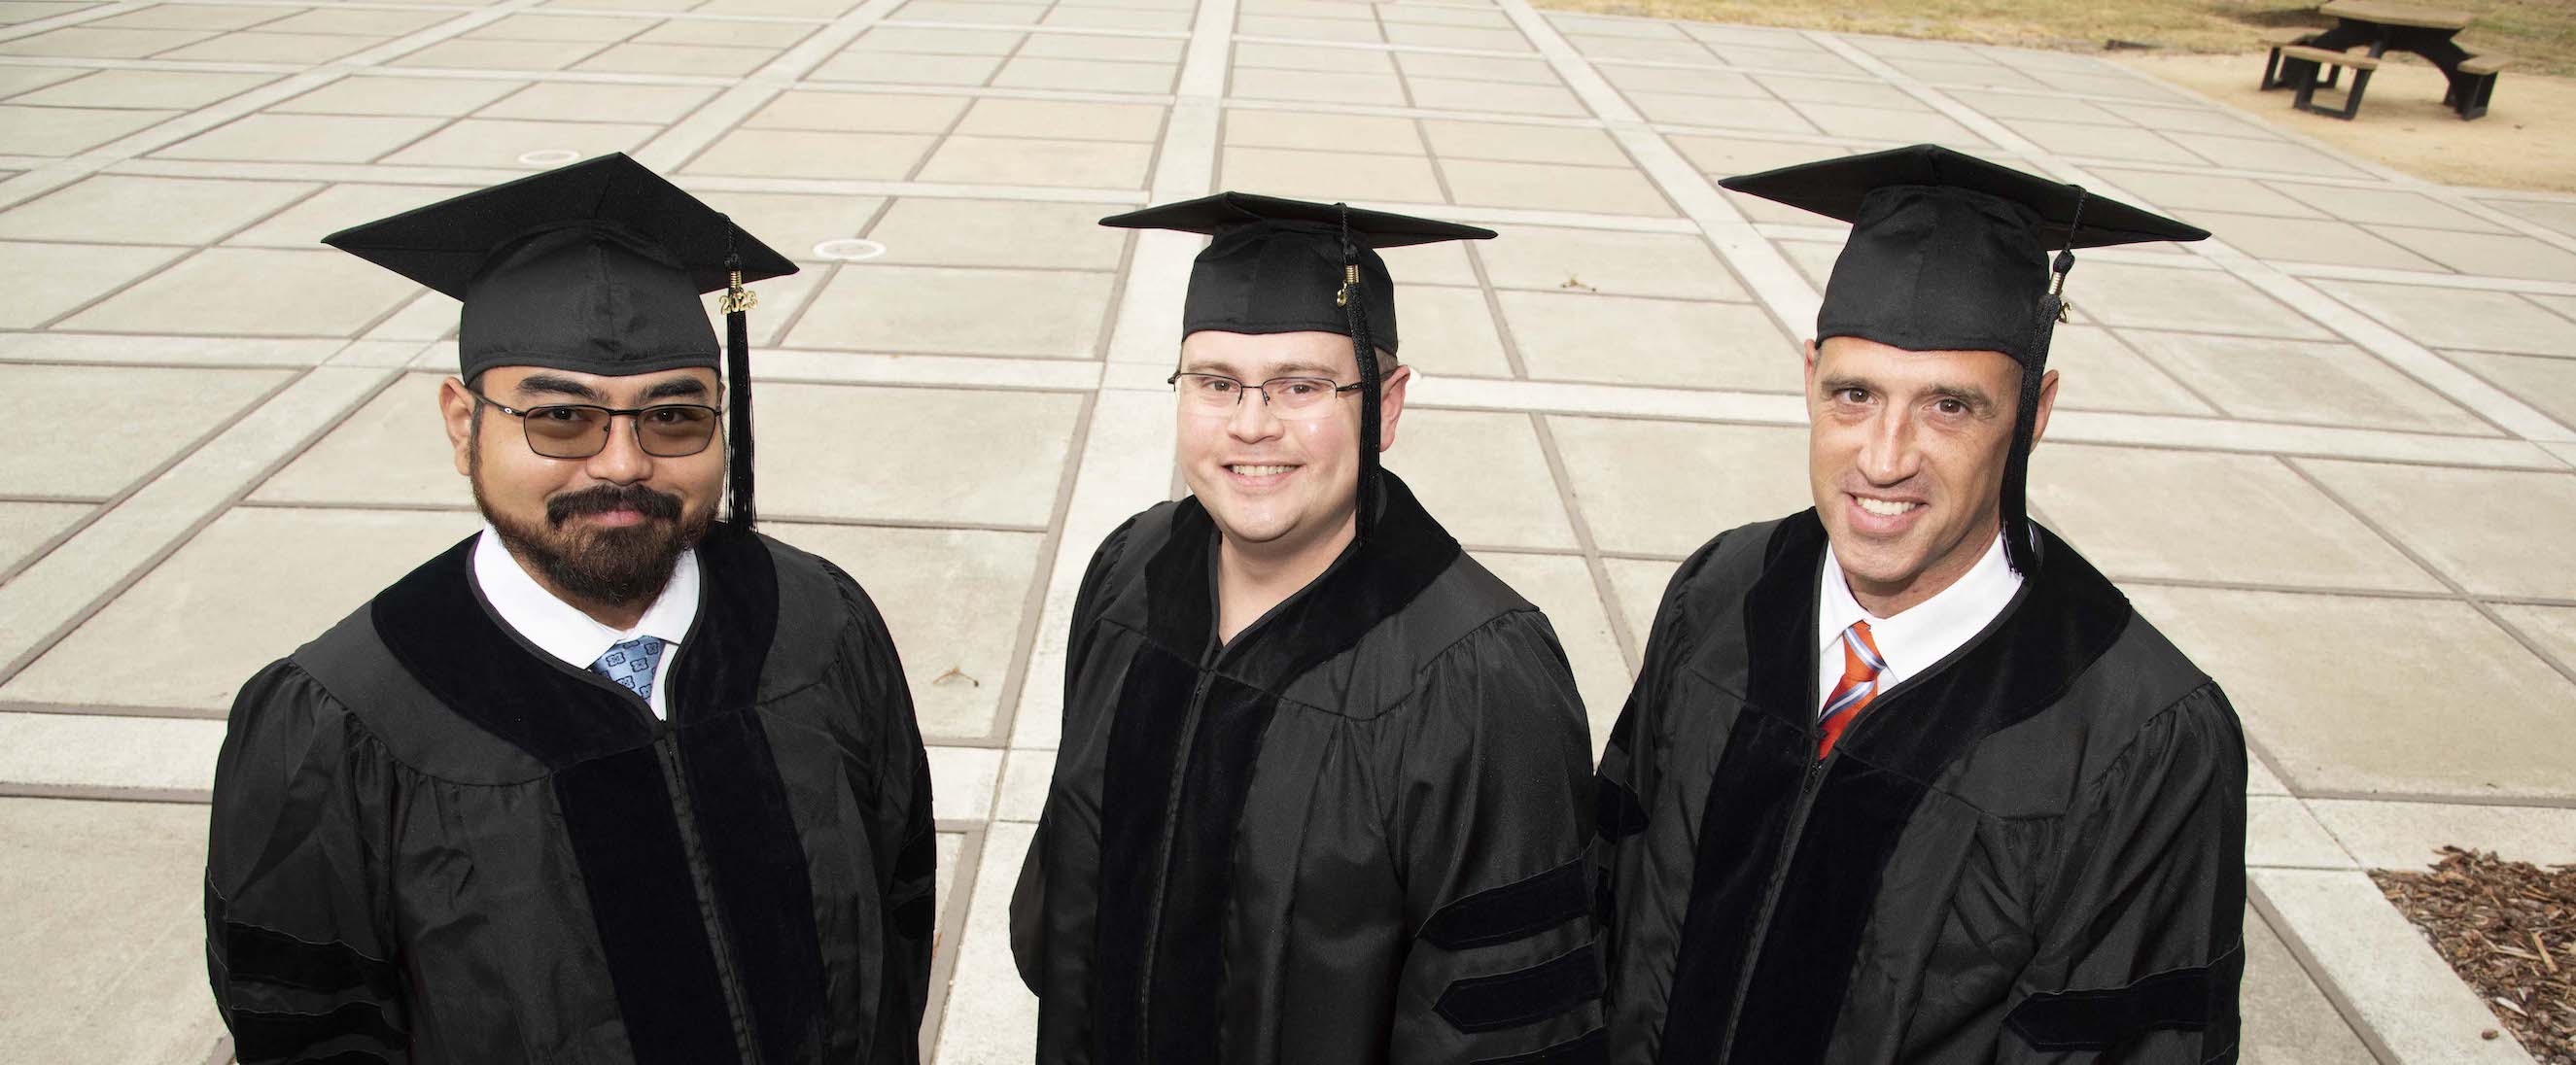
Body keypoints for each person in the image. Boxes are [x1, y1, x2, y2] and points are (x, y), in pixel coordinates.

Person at [203, 154, 936, 1065]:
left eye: (673, 416)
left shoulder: (819, 626)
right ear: (463, 423)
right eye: (560, 418)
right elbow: (306, 1035)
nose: (623, 464)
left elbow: (899, 932)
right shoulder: (343, 724)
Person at [1593, 145, 2247, 1064]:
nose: (1885, 457)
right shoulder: (1724, 593)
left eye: (1949, 407)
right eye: (1854, 395)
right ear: (1810, 375)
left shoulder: (2139, 736)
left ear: (2035, 409)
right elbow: (1613, 902)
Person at [1010, 192, 1605, 1064]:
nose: (1252, 425)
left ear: (1387, 404)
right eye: (1216, 383)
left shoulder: (1480, 679)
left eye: (1302, 384)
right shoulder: (1130, 574)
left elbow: (1506, 1023)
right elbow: (1066, 890)